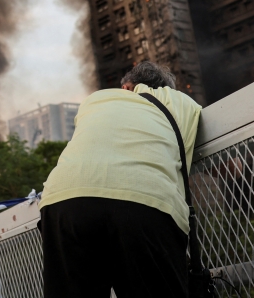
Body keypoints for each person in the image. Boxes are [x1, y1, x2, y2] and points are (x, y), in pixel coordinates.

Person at [39, 61, 202, 298]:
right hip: (145, 202)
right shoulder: (184, 104)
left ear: (127, 87)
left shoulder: (95, 101)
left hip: (63, 200)